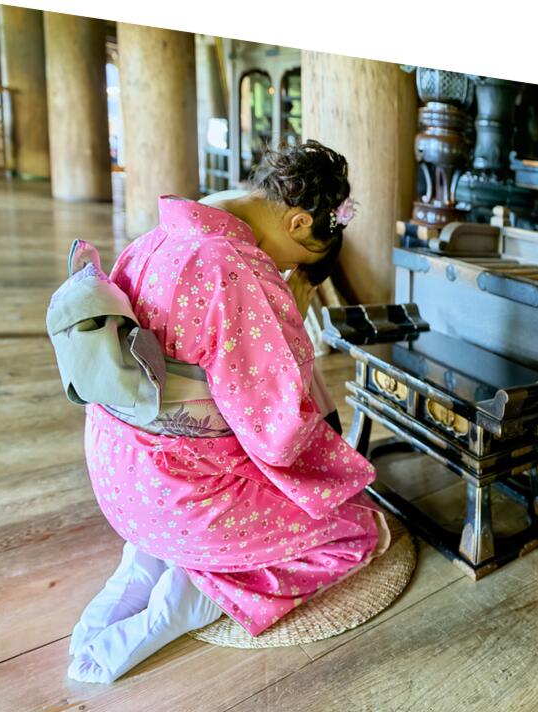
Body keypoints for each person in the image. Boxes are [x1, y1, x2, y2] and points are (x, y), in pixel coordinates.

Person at [67, 141, 389, 684]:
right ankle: (192, 592)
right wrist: (295, 334)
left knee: (190, 493)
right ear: (298, 220)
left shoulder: (157, 237)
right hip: (185, 496)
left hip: (120, 478)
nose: (289, 271)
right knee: (355, 530)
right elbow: (277, 435)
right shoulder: (236, 270)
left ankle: (145, 564)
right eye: (300, 260)